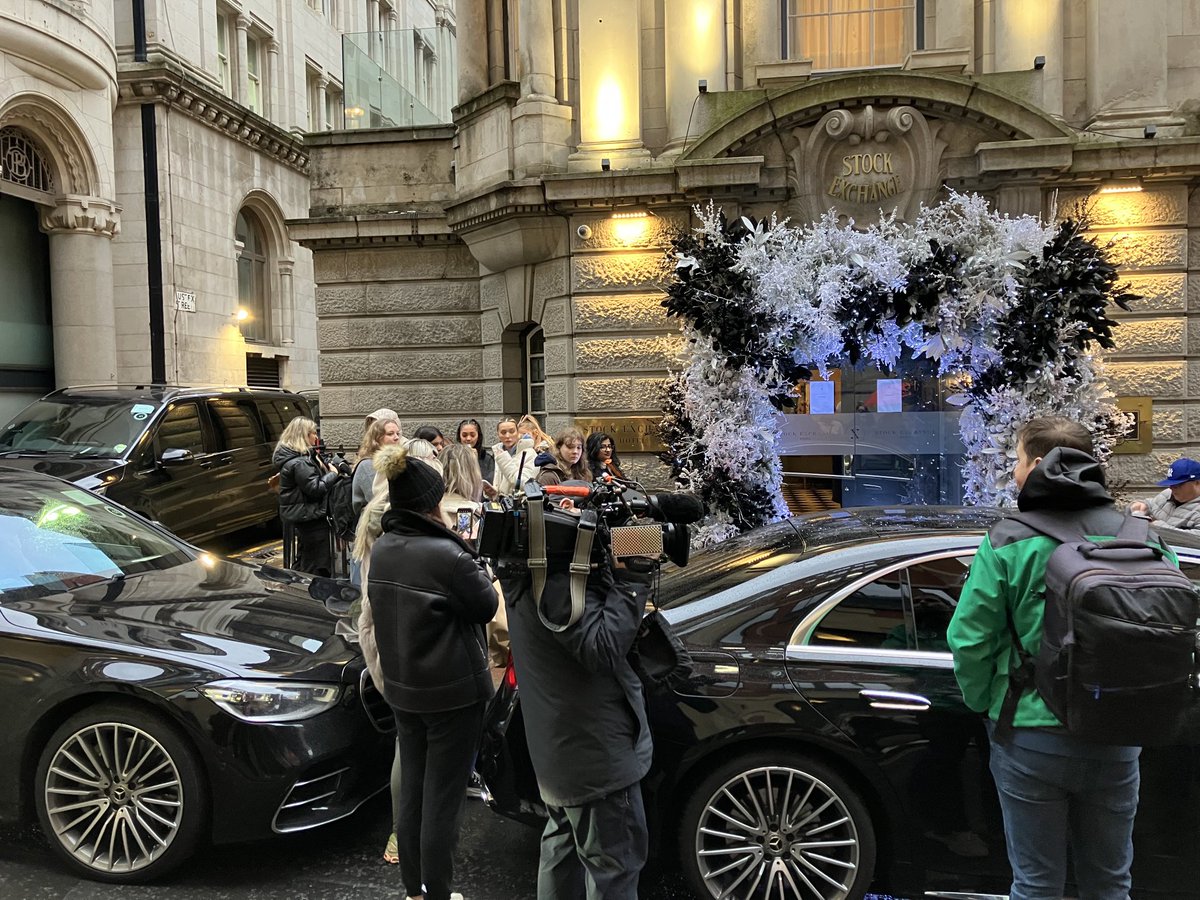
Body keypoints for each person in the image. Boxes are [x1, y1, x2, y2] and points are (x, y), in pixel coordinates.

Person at [947, 417, 1154, 900]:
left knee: (1037, 883)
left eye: (1017, 460)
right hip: (1119, 732)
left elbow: (971, 640)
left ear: (1039, 466)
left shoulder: (1008, 542)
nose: (1015, 471)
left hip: (1032, 733)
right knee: (1110, 882)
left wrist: (985, 703)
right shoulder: (1140, 537)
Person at [368, 443, 498, 900]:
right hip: (453, 694)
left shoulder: (384, 547)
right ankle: (438, 893)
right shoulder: (447, 555)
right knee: (442, 801)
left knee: (413, 797)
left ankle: (414, 890)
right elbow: (486, 605)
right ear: (429, 502)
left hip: (405, 690)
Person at [500, 553, 652, 898]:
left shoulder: (524, 568)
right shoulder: (554, 583)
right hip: (595, 756)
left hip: (561, 750)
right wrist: (631, 582)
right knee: (614, 866)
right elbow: (602, 649)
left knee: (563, 849)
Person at [273, 416, 338, 576]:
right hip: (311, 517)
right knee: (316, 564)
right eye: (313, 433)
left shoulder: (295, 459)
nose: (316, 437)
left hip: (304, 517)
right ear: (303, 435)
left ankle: (296, 589)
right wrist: (333, 474)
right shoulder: (300, 463)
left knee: (305, 558)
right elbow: (315, 488)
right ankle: (310, 596)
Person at [1129, 457, 1200, 530]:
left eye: (1178, 484)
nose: (1171, 488)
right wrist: (1140, 506)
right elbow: (1150, 504)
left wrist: (1156, 526)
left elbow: (1195, 538)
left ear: (1197, 483)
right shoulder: (1167, 494)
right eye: (1171, 484)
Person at [353, 418, 403, 518]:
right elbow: (378, 500)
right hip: (373, 524)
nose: (396, 437)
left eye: (398, 433)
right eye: (390, 434)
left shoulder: (396, 462)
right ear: (377, 439)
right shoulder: (367, 465)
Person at [490, 417, 536, 496]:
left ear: (518, 433)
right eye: (503, 432)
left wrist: (503, 460)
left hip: (519, 505)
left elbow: (525, 483)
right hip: (499, 505)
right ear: (498, 434)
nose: (508, 436)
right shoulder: (496, 453)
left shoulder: (530, 454)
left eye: (512, 431)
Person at [456, 418, 496, 493]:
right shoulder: (453, 456)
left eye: (472, 435)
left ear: (478, 436)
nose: (468, 438)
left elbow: (488, 483)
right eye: (464, 435)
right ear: (459, 436)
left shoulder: (487, 458)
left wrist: (474, 463)